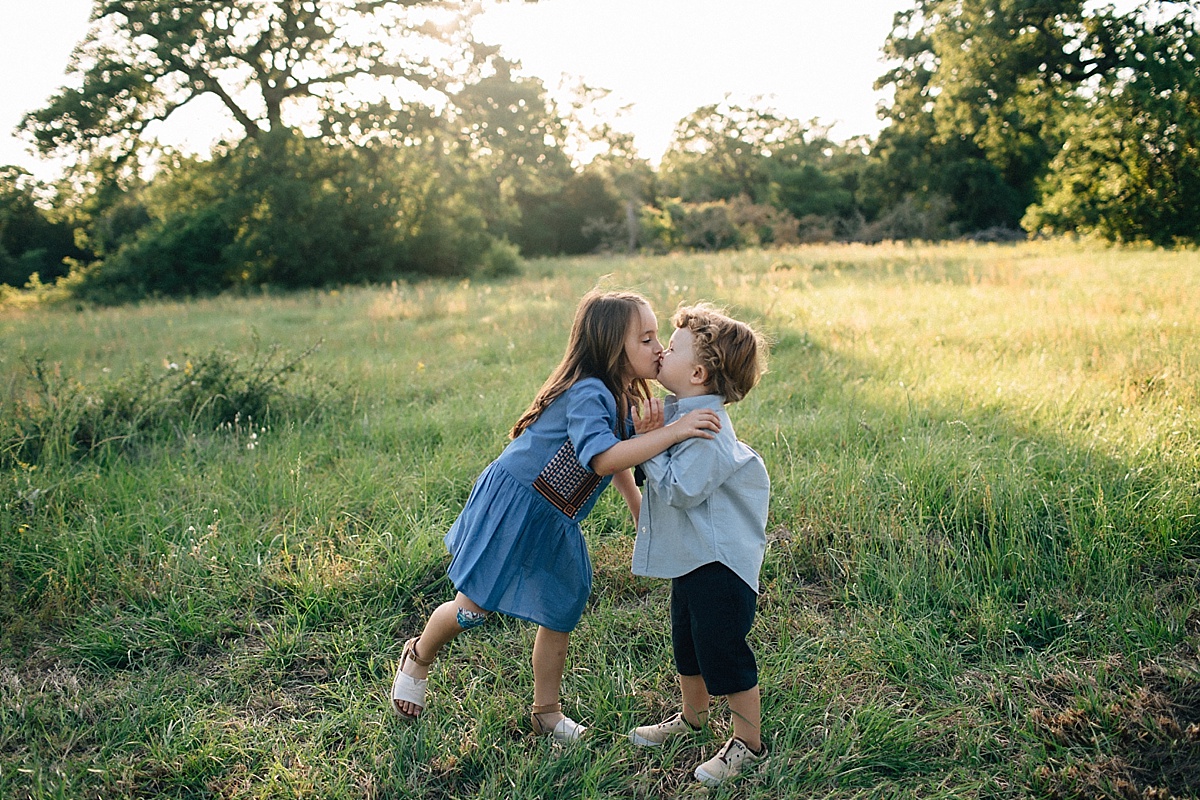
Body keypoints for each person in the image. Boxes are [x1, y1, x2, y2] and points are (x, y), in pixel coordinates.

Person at [391, 289, 723, 743]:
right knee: (474, 609)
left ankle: (546, 712)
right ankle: (420, 654)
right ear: (611, 347)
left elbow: (621, 456)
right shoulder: (588, 392)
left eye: (656, 336)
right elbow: (603, 457)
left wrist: (636, 506)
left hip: (557, 518)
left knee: (563, 607)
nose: (659, 346)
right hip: (518, 505)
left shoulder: (624, 393)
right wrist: (675, 430)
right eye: (645, 339)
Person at [626, 303, 771, 787]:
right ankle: (692, 717)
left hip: (721, 563)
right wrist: (653, 435)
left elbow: (682, 491)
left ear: (697, 372)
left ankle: (749, 744)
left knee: (721, 648)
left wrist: (654, 440)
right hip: (693, 556)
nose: (660, 352)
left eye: (669, 347)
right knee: (686, 642)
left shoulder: (705, 430)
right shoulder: (680, 415)